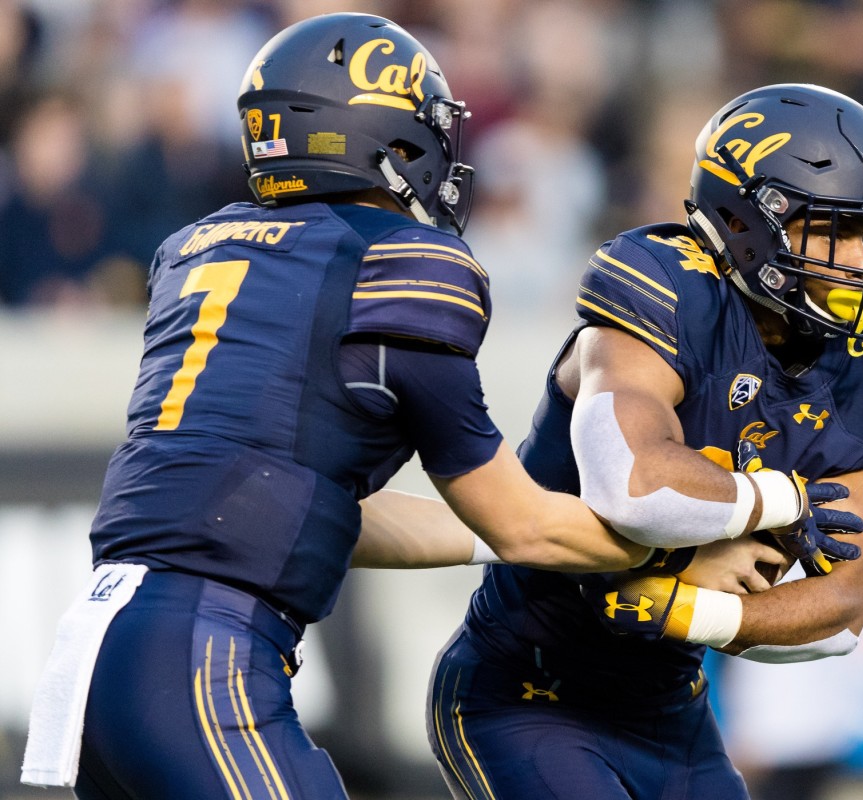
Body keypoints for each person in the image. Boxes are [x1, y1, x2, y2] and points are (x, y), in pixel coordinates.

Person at [19, 14, 800, 799]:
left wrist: (503, 534)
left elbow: (310, 508)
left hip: (99, 645)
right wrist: (708, 530)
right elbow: (522, 523)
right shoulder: (401, 264)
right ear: (383, 139)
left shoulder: (202, 248)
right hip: (202, 655)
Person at [424, 84, 863, 799]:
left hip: (670, 711)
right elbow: (631, 486)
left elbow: (845, 609)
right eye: (834, 231)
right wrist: (777, 499)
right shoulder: (665, 285)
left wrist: (694, 611)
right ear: (750, 222)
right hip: (528, 692)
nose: (857, 260)